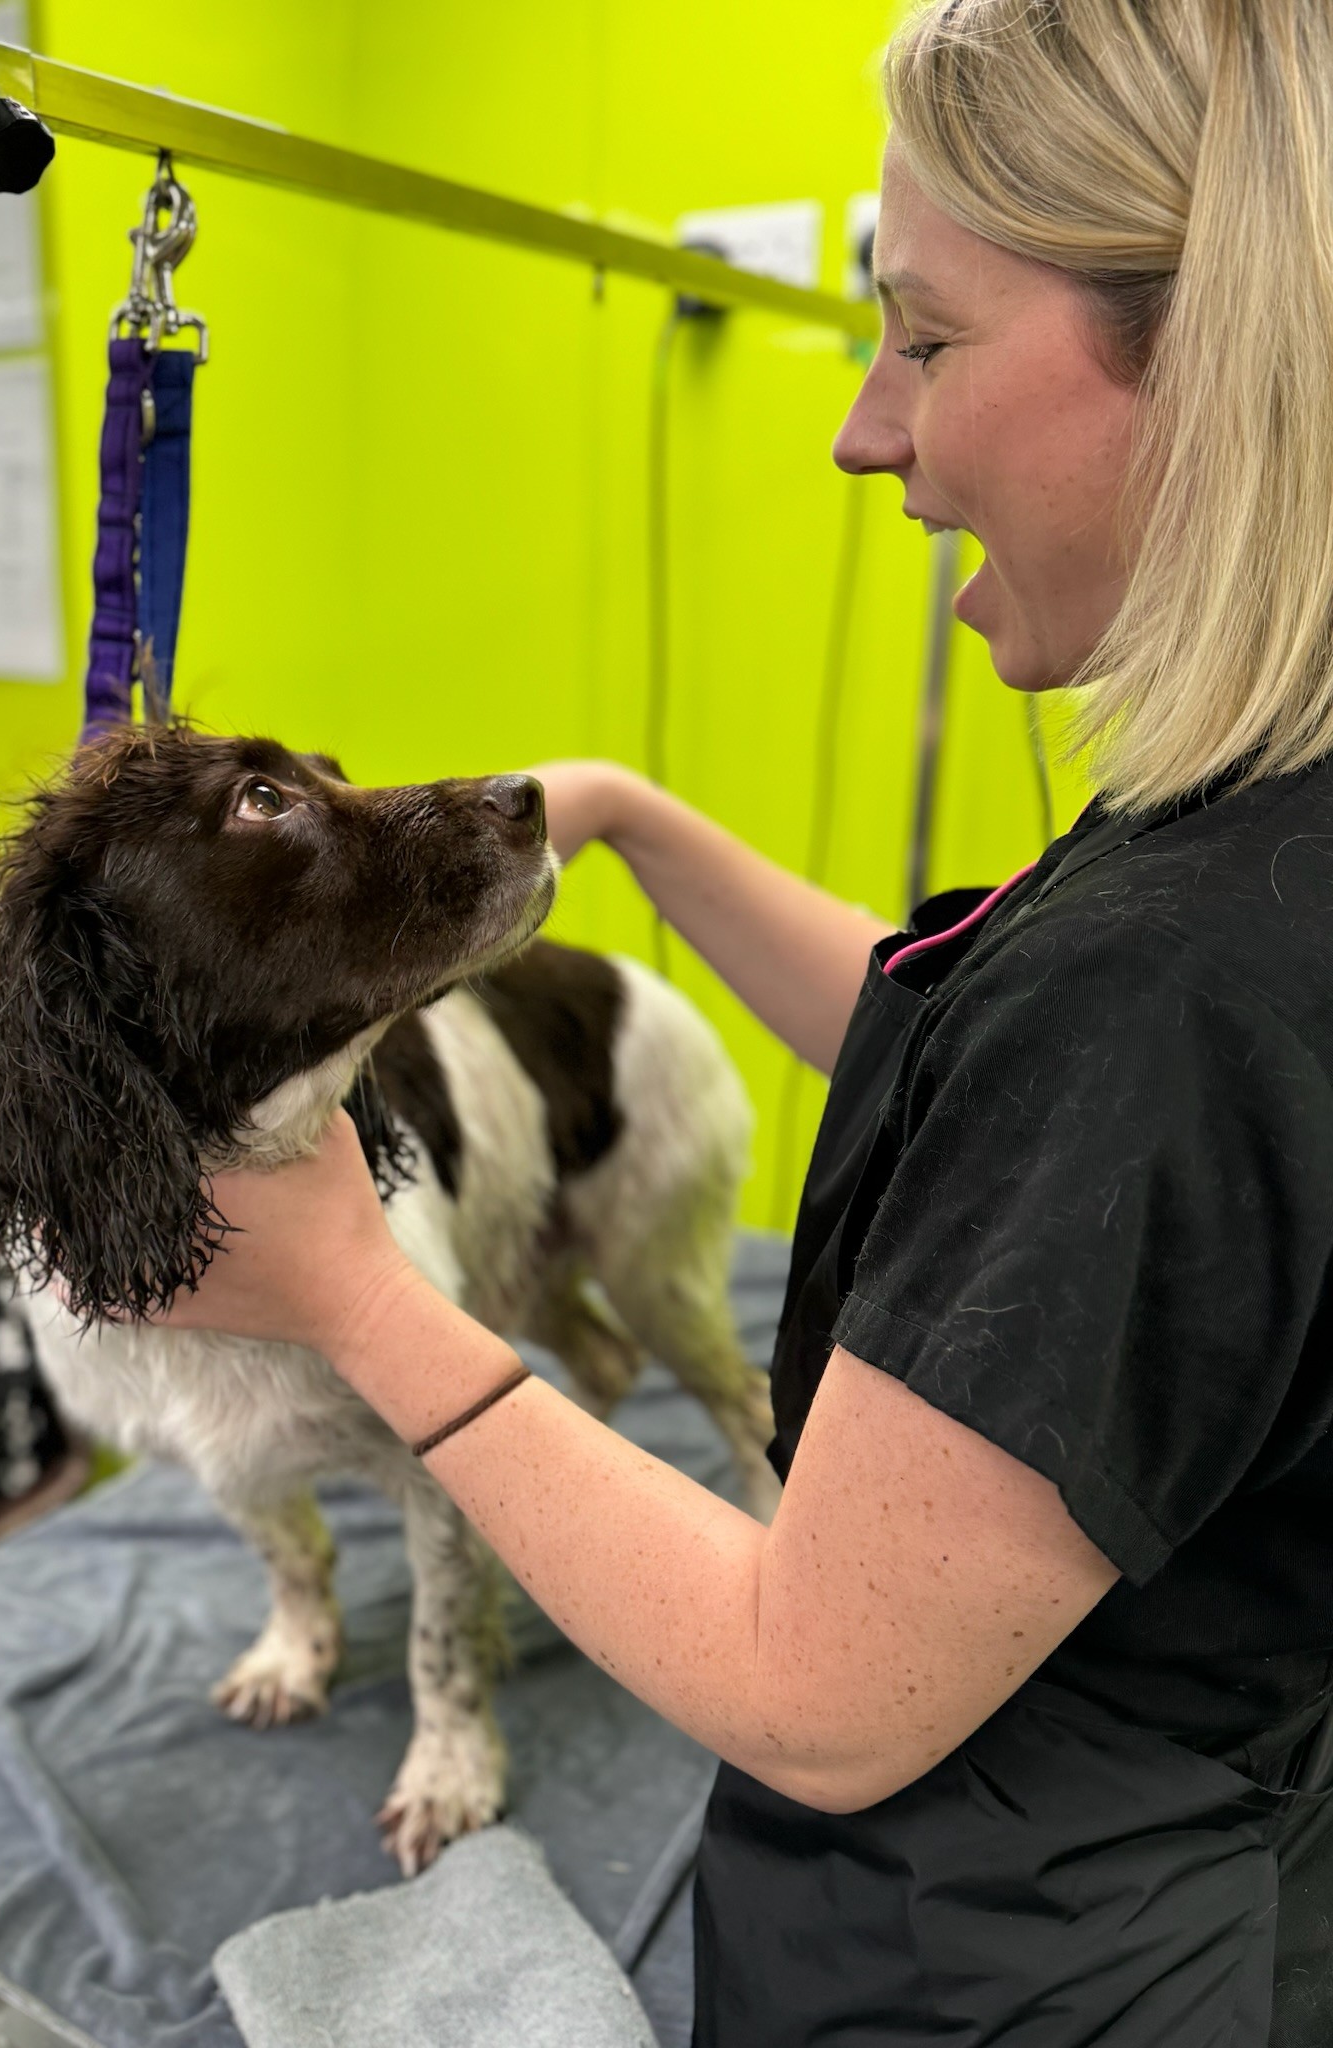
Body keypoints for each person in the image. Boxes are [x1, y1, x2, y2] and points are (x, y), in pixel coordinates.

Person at [153, 0, 1333, 2039]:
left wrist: (354, 1294)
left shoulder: (1165, 983)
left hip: (998, 1965)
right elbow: (970, 1041)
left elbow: (816, 1685)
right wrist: (621, 816)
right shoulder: (1252, 859)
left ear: (1224, 348)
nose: (869, 429)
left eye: (929, 338)